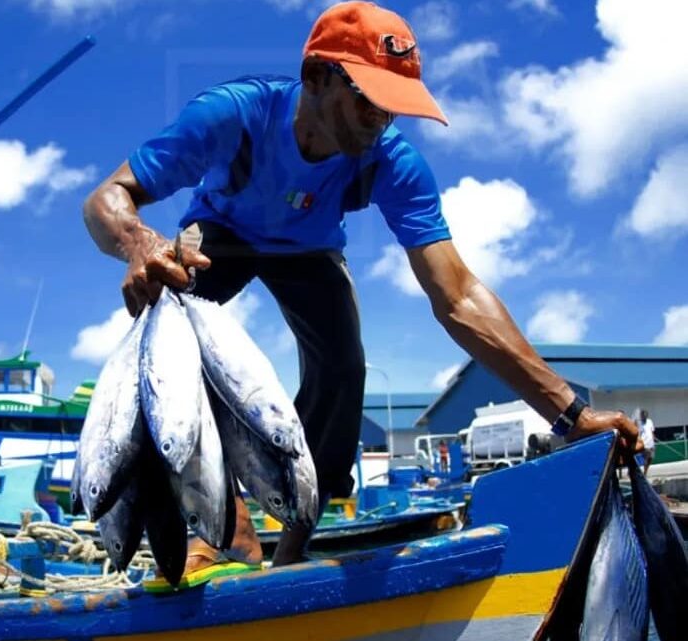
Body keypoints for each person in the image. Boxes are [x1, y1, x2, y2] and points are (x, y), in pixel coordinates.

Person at [83, 1, 640, 576]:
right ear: (317, 78)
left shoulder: (393, 163)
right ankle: (225, 527)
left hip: (309, 251)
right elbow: (107, 198)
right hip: (220, 237)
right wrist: (139, 244)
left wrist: (570, 413)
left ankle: (295, 542)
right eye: (368, 102)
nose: (381, 122)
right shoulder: (234, 114)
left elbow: (459, 294)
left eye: (393, 109)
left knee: (344, 370)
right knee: (169, 347)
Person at [638, 408, 656, 475]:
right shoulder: (639, 423)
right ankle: (644, 473)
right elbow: (638, 434)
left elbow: (652, 431)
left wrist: (653, 439)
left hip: (651, 443)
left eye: (646, 415)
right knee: (645, 459)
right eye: (643, 416)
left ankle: (645, 471)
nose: (645, 417)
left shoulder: (650, 421)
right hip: (644, 444)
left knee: (651, 459)